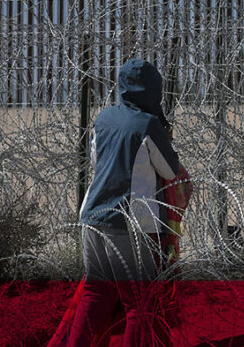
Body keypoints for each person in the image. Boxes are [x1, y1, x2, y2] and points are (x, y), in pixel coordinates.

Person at [63, 59, 180, 346]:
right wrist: (167, 140)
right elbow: (169, 170)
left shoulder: (103, 119)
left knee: (96, 293)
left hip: (93, 217)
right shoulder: (148, 123)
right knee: (139, 303)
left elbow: (96, 160)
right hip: (128, 222)